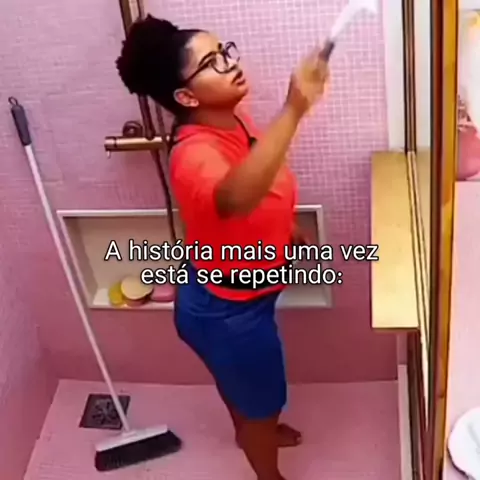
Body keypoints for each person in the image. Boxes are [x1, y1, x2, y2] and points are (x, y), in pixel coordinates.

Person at [116, 15, 329, 480]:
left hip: (233, 293)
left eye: (224, 52)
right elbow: (234, 198)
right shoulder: (192, 155)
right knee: (261, 402)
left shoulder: (232, 121)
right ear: (187, 97)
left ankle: (252, 427)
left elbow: (258, 176)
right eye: (212, 62)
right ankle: (266, 463)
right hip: (227, 312)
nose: (230, 64)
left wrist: (285, 226)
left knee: (247, 393)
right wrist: (294, 109)